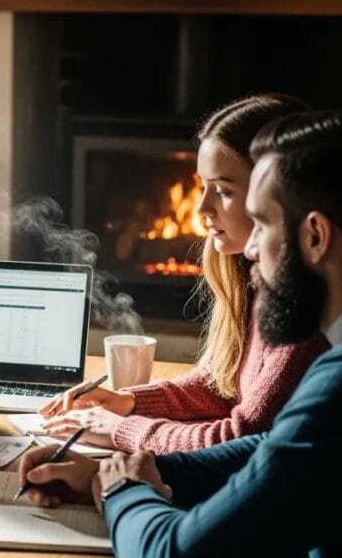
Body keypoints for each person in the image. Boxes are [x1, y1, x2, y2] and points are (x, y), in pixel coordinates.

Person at [19, 110, 342, 556]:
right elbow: (266, 449)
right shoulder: (332, 366)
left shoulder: (335, 383)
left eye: (262, 225)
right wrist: (121, 472)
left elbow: (171, 552)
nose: (250, 250)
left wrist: (121, 488)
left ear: (315, 237)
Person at [39, 94, 328, 453]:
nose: (202, 208)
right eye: (201, 186)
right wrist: (126, 401)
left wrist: (122, 430)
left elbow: (242, 436)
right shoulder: (257, 279)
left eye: (222, 190)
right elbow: (222, 385)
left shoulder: (306, 324)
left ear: (273, 192)